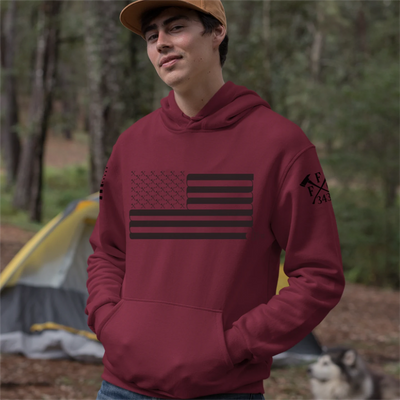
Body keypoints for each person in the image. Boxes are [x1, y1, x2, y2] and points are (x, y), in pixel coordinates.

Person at [85, 1, 345, 399]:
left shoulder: (282, 147)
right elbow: (109, 250)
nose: (162, 44)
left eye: (176, 28)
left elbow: (319, 277)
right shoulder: (133, 145)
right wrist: (109, 321)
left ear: (217, 32)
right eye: (152, 36)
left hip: (224, 390)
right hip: (122, 388)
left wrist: (233, 344)